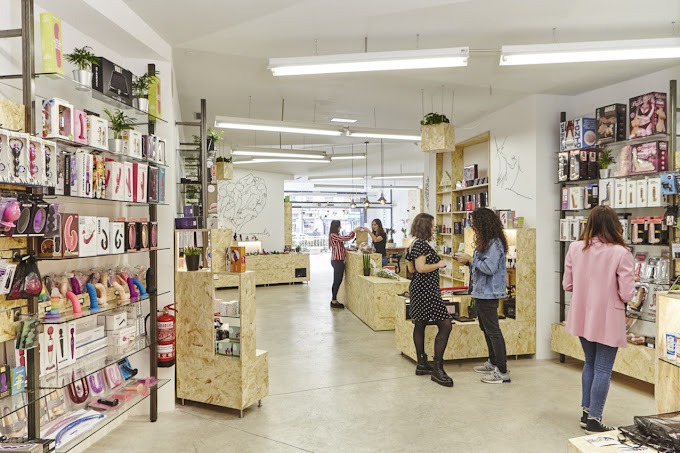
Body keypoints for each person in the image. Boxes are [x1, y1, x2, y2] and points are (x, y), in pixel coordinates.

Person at [562, 205, 635, 434]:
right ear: (614, 225)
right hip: (607, 318)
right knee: (603, 368)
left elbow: (568, 285)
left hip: (582, 315)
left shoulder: (575, 248)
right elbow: (627, 294)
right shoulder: (621, 253)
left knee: (590, 363)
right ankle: (595, 418)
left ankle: (586, 412)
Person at [454, 207, 510, 384]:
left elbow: (489, 268)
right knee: (486, 329)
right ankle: (493, 362)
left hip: (488, 293)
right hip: (481, 292)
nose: (472, 226)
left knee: (493, 331)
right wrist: (468, 261)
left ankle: (502, 370)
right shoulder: (487, 242)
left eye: (474, 222)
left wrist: (470, 260)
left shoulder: (495, 243)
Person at [405, 213, 453, 387]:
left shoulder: (413, 245)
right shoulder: (422, 246)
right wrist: (438, 264)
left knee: (420, 324)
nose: (434, 228)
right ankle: (437, 368)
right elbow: (420, 267)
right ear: (426, 227)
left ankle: (421, 363)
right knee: (446, 324)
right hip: (427, 291)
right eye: (432, 226)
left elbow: (410, 268)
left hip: (418, 289)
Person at [329, 220, 362, 309]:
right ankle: (333, 301)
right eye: (339, 226)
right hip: (337, 261)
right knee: (337, 281)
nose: (340, 228)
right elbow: (345, 238)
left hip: (338, 261)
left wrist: (348, 250)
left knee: (338, 280)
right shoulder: (333, 235)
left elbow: (340, 247)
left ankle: (334, 299)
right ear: (336, 227)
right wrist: (354, 231)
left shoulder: (335, 235)